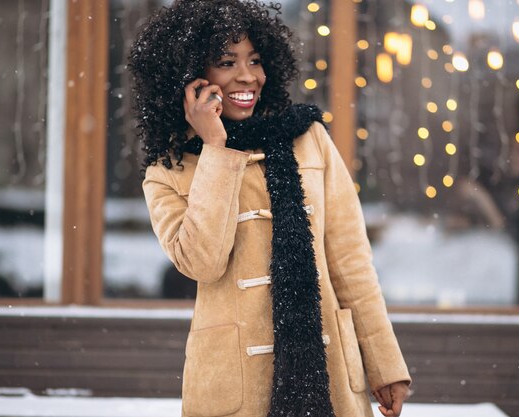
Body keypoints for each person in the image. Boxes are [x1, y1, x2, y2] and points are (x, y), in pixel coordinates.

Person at [128, 1, 411, 416]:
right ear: (189, 80)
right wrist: (215, 148)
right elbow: (203, 263)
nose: (248, 76)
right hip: (233, 387)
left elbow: (350, 261)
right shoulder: (166, 172)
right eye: (227, 62)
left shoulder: (309, 138)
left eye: (255, 60)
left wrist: (385, 365)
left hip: (326, 375)